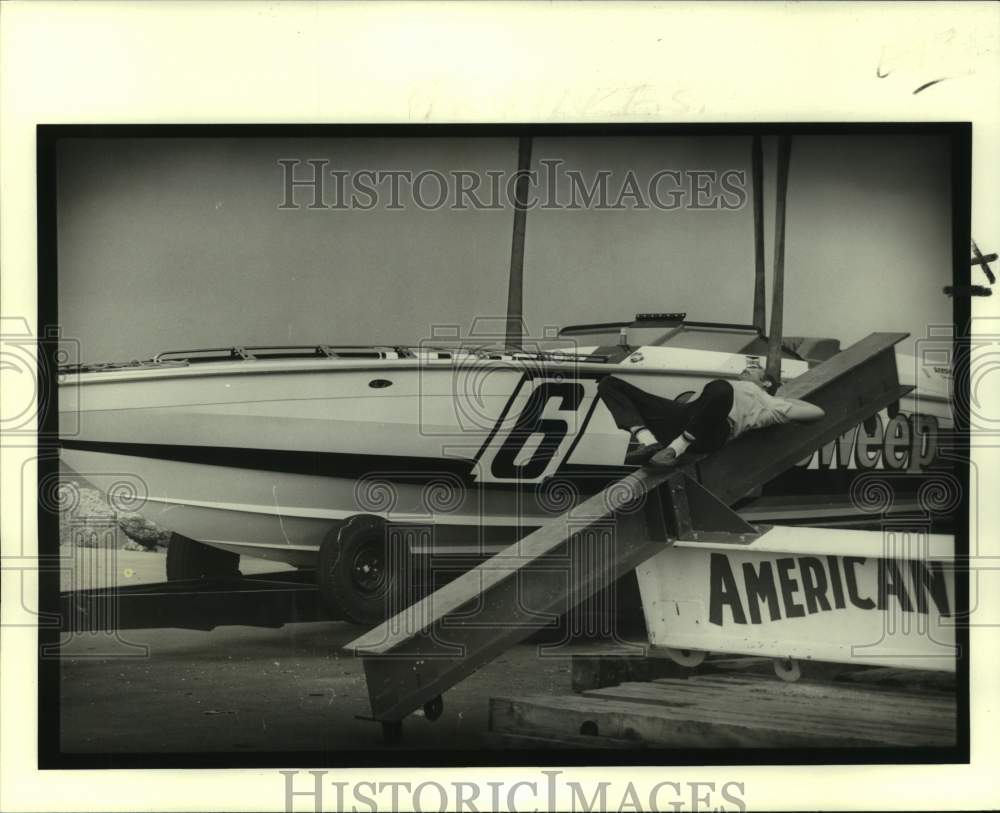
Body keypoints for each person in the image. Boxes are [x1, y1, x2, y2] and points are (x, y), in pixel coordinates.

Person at [597, 363, 826, 467]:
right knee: (609, 383)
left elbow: (817, 412)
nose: (749, 366)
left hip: (713, 431)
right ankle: (649, 443)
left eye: (756, 369)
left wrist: (784, 400)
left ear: (766, 382)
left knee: (720, 389)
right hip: (687, 417)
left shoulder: (770, 404)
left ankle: (675, 448)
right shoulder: (731, 384)